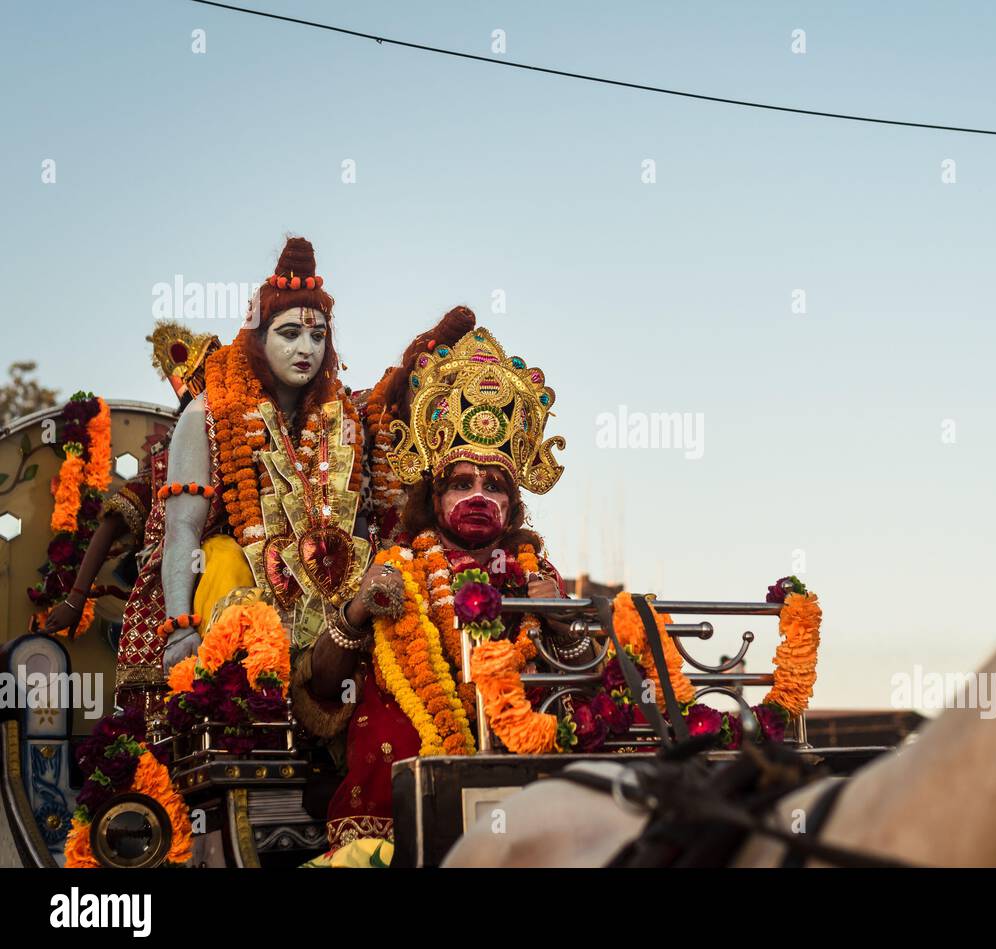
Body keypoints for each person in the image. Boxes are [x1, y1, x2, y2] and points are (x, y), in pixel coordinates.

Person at [292, 315, 588, 855]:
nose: (479, 496)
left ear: (513, 503)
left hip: (528, 801)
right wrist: (358, 612)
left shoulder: (537, 578)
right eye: (462, 482)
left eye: (494, 485)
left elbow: (585, 692)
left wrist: (564, 624)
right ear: (434, 495)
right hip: (403, 806)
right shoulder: (396, 567)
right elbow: (321, 693)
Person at [158, 237, 370, 673]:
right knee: (222, 556)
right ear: (258, 339)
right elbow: (182, 527)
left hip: (326, 587)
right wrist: (179, 627)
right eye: (289, 334)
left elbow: (360, 517)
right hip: (227, 586)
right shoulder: (208, 414)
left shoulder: (341, 416)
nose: (306, 349)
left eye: (317, 335)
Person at [40, 321, 220, 715]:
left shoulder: (245, 438)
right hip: (166, 588)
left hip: (226, 583)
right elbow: (112, 523)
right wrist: (75, 598)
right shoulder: (165, 457)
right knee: (162, 711)